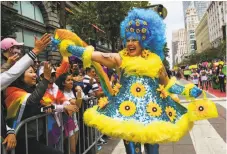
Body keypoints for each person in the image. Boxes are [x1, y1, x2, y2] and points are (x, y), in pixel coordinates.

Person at [52, 8, 218, 154]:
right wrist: (68, 46)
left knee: (153, 150)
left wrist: (188, 90)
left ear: (144, 41)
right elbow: (96, 55)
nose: (130, 43)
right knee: (132, 151)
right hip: (127, 116)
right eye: (128, 39)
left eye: (135, 40)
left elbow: (168, 84)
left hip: (153, 116)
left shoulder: (155, 61)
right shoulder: (120, 58)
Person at [1, 34, 51, 152]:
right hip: (22, 137)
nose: (19, 51)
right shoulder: (11, 88)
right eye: (16, 47)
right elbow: (9, 75)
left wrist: (44, 106)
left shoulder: (24, 82)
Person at [4, 63, 64, 154]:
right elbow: (31, 100)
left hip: (36, 136)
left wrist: (44, 108)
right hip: (22, 139)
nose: (34, 74)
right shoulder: (13, 91)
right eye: (31, 72)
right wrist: (46, 79)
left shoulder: (30, 89)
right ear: (19, 76)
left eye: (35, 72)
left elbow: (32, 109)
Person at [55, 73, 83, 154]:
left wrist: (78, 90)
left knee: (74, 147)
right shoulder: (62, 93)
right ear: (63, 83)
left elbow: (78, 106)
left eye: (72, 80)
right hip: (67, 123)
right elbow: (77, 104)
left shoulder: (71, 91)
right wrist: (79, 91)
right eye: (68, 80)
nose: (71, 82)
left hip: (74, 121)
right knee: (71, 150)